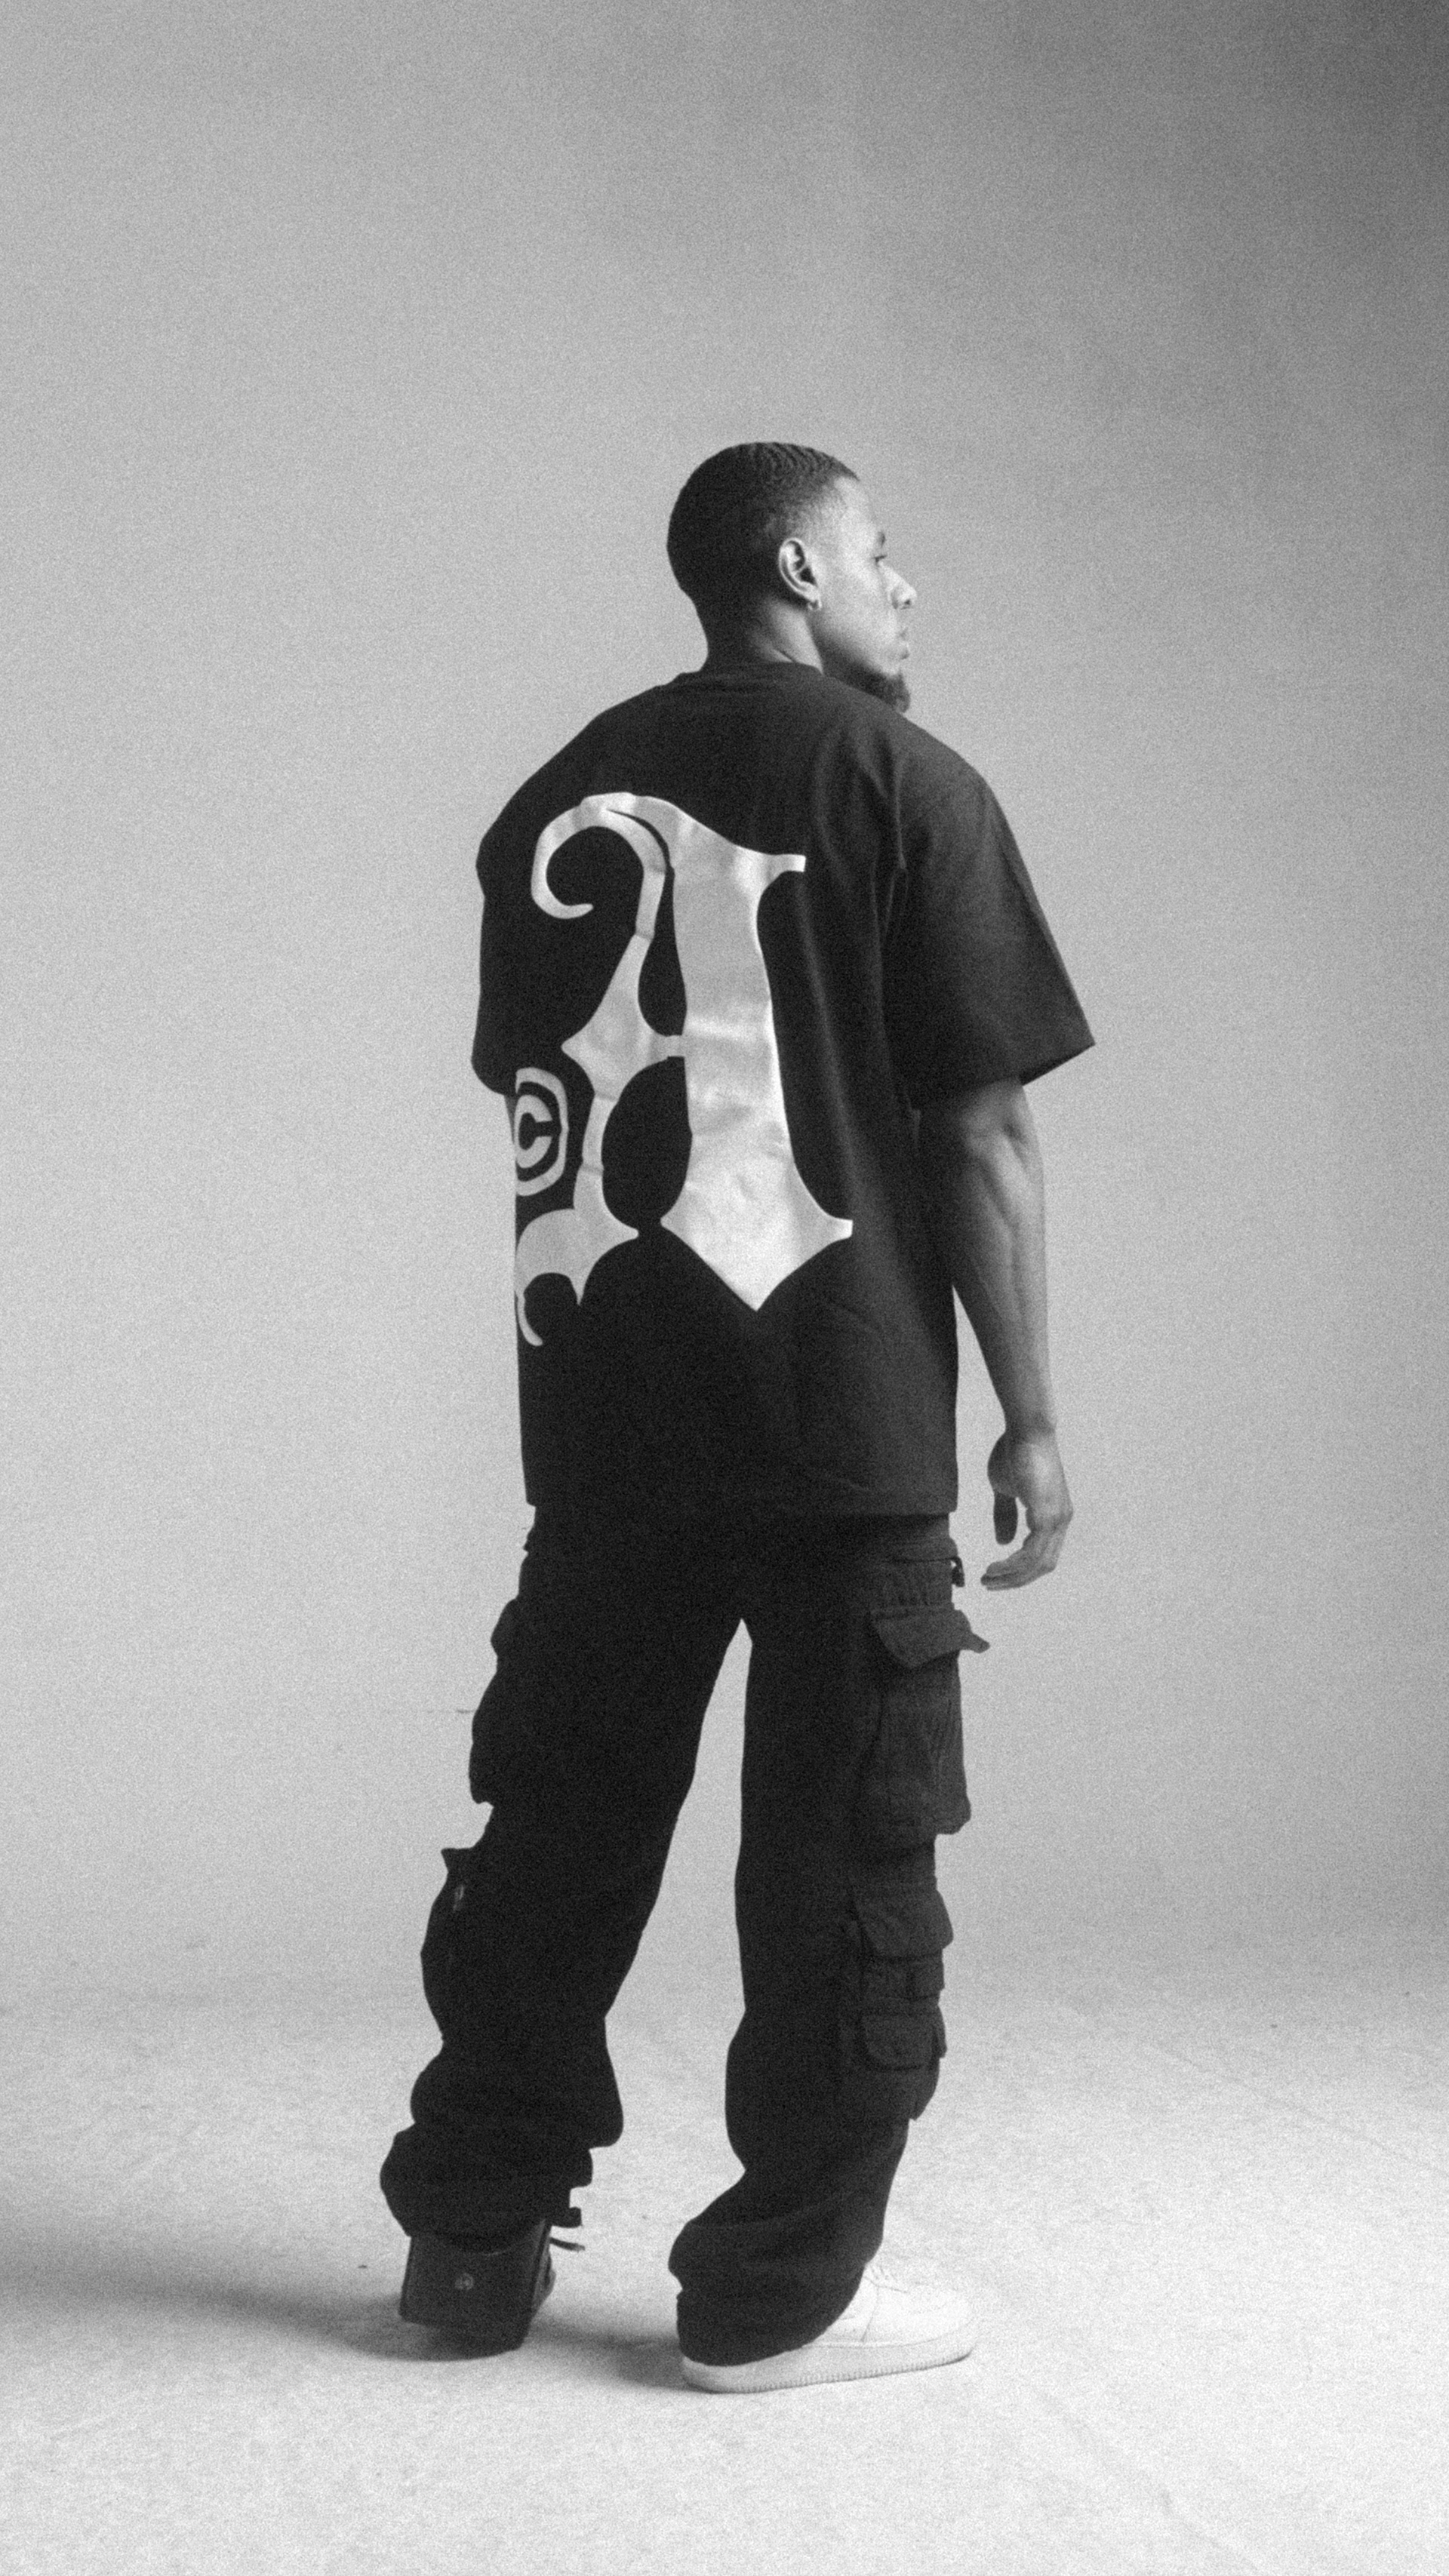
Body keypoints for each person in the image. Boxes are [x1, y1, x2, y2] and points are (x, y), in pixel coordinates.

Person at [380, 442, 1093, 2393]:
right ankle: (781, 2299)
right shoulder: (911, 786)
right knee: (845, 1860)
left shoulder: (550, 801)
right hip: (843, 1416)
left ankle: (467, 2244)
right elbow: (981, 1133)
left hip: (609, 1415)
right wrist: (1031, 1414)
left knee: (559, 1825)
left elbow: (538, 1100)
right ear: (795, 564)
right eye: (881, 551)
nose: (905, 587)